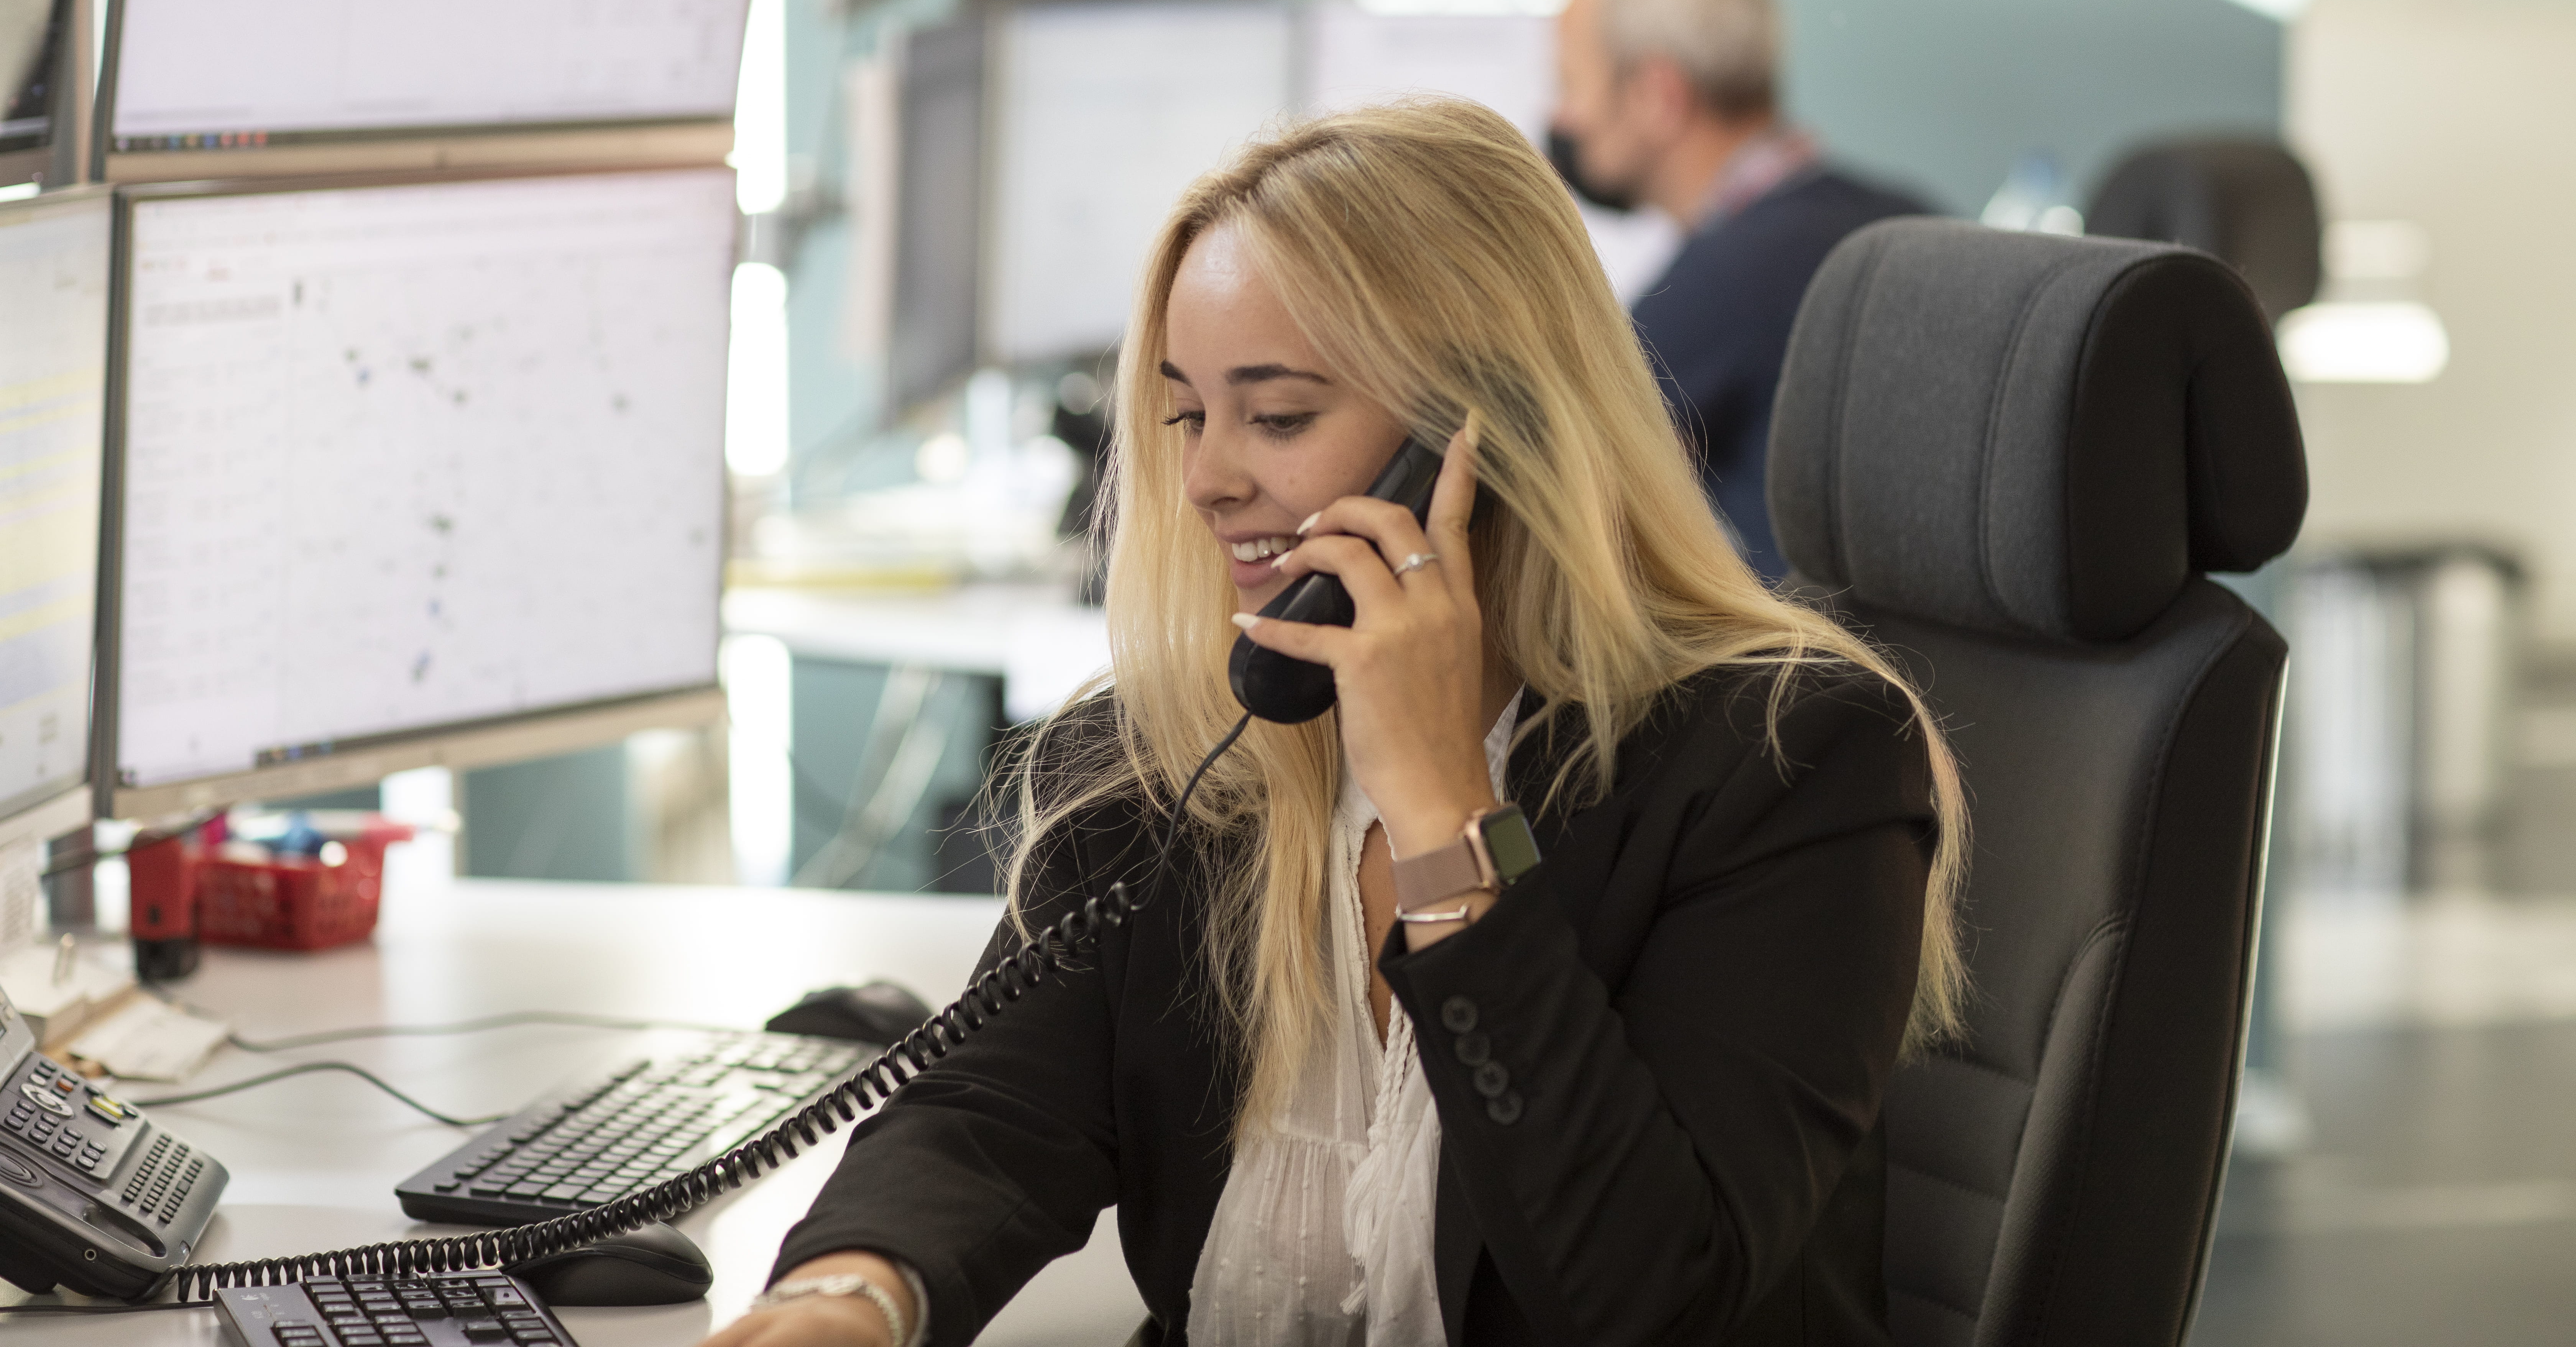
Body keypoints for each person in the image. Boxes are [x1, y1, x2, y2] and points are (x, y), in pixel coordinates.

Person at [705, 98, 1967, 1347]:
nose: (1208, 481)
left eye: (1279, 416)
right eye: (1188, 414)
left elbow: (1647, 1295)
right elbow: (991, 1106)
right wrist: (851, 1298)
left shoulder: (1792, 760)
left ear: (1483, 442)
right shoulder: (1182, 749)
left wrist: (1446, 816)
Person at [1551, 0, 1928, 583]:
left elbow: (1556, 488)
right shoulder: (1908, 215)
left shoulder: (1723, 282)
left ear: (1658, 97)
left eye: (1570, 82)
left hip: (1800, 641)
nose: (1563, 119)